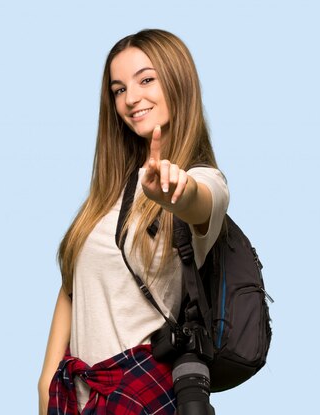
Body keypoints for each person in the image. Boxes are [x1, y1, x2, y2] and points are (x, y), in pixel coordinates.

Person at [38, 29, 229, 415]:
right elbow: (73, 284)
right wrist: (45, 383)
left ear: (178, 80)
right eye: (118, 89)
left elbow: (200, 201)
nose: (131, 98)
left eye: (146, 79)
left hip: (138, 395)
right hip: (76, 397)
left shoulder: (204, 179)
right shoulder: (109, 192)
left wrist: (177, 191)